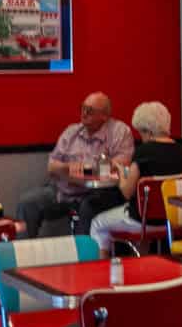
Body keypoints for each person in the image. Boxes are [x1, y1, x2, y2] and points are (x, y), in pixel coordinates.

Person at [17, 93, 133, 238]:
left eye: (89, 110)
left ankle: (84, 258)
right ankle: (22, 256)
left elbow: (120, 167)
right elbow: (52, 167)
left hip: (98, 194)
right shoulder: (71, 132)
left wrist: (73, 169)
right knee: (28, 203)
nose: (84, 113)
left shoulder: (119, 132)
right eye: (83, 108)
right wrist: (74, 169)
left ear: (104, 116)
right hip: (63, 191)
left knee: (88, 207)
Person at [89, 102, 182, 255]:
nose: (141, 137)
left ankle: (101, 273)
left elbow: (127, 192)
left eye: (141, 132)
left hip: (143, 222)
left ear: (148, 131)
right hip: (177, 221)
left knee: (97, 223)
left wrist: (121, 175)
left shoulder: (143, 152)